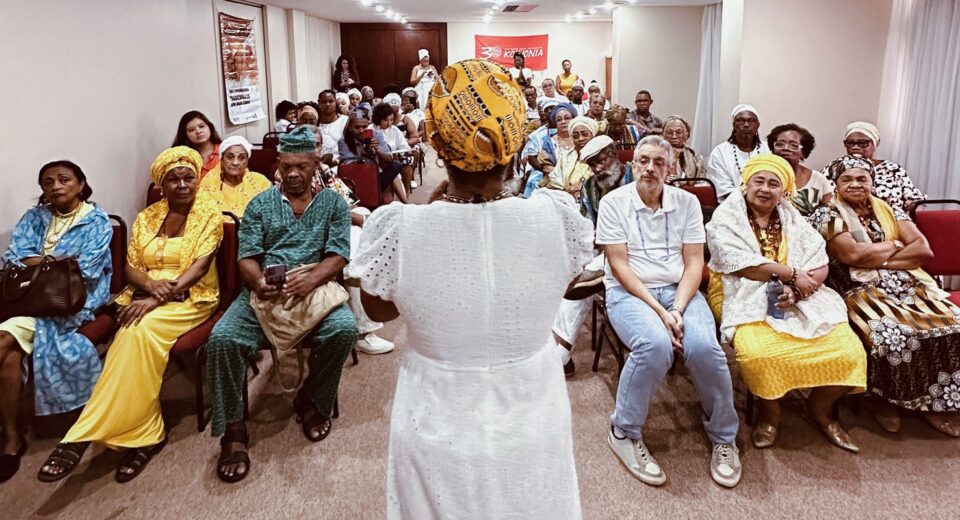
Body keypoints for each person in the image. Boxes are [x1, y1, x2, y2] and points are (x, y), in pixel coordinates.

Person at [350, 58, 592, 519]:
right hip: (533, 408)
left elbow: (378, 313)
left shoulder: (400, 227)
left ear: (438, 144)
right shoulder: (555, 216)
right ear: (516, 140)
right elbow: (563, 280)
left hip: (435, 412)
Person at [38, 147, 222, 483]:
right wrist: (150, 286)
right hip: (145, 294)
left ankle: (83, 432)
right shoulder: (148, 216)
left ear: (198, 179)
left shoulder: (210, 212)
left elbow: (200, 266)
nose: (182, 184)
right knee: (132, 333)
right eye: (173, 179)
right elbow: (131, 267)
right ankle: (146, 434)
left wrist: (156, 299)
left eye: (188, 177)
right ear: (161, 185)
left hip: (192, 298)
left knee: (135, 329)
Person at [205, 126, 357, 484]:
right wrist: (257, 281)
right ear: (277, 164)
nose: (293, 173)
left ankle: (312, 399)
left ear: (315, 163)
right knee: (222, 339)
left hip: (315, 289)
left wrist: (312, 278)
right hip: (265, 292)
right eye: (286, 165)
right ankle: (233, 429)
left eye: (301, 166)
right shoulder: (260, 205)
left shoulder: (333, 203)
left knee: (344, 329)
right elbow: (247, 257)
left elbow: (338, 254)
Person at [597, 135, 741, 488]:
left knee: (706, 349)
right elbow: (620, 267)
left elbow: (694, 263)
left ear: (671, 169)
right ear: (634, 165)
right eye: (643, 160)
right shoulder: (613, 203)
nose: (650, 168)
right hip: (631, 293)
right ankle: (623, 431)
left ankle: (724, 437)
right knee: (655, 346)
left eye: (659, 162)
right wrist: (662, 315)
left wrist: (676, 307)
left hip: (680, 291)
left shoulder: (687, 203)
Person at [706, 154, 867, 452]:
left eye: (774, 184)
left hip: (799, 292)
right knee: (759, 354)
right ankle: (771, 414)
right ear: (746, 183)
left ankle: (819, 408)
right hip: (741, 288)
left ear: (785, 191)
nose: (765, 189)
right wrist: (792, 274)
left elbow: (820, 264)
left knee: (850, 352)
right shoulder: (726, 216)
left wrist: (798, 292)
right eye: (759, 181)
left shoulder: (792, 217)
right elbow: (743, 266)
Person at [812, 155, 960, 437]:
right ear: (836, 183)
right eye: (847, 179)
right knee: (891, 335)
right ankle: (887, 402)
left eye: (862, 178)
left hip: (908, 283)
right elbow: (851, 255)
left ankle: (935, 404)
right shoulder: (827, 213)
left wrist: (881, 261)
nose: (855, 184)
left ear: (872, 182)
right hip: (858, 288)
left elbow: (923, 250)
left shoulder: (889, 209)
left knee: (954, 324)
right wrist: (894, 244)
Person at [0, 162, 112, 483]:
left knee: (3, 341)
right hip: (29, 302)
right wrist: (56, 263)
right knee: (6, 350)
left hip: (75, 301)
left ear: (81, 184)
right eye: (48, 182)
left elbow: (86, 269)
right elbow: (13, 258)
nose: (56, 187)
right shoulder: (33, 218)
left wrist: (38, 263)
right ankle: (11, 436)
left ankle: (10, 439)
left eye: (64, 180)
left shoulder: (97, 220)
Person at [552, 136, 635, 376]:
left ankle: (561, 352)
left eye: (601, 161)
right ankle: (561, 350)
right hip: (605, 251)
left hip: (643, 253)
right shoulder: (589, 186)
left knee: (583, 283)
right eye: (592, 165)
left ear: (614, 152)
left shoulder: (637, 176)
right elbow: (588, 227)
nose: (598, 169)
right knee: (574, 277)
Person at [840, 121, 926, 211]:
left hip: (893, 221)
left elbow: (915, 202)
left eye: (862, 143)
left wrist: (912, 216)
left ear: (875, 144)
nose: (855, 147)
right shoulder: (836, 169)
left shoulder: (893, 170)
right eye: (850, 143)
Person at [338, 109, 408, 204]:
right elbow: (348, 165)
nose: (361, 131)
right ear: (350, 127)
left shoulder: (376, 135)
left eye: (364, 127)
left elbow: (389, 159)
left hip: (375, 174)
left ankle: (376, 193)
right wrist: (362, 155)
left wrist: (377, 150)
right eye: (357, 127)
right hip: (357, 175)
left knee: (396, 165)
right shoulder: (344, 141)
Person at [706, 104, 770, 201]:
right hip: (731, 206)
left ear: (758, 125)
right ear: (734, 125)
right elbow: (724, 190)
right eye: (740, 120)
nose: (746, 125)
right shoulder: (720, 152)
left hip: (765, 205)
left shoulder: (768, 149)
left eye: (751, 121)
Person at [767, 123, 832, 216]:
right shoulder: (761, 175)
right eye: (780, 144)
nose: (786, 148)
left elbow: (830, 213)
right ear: (773, 150)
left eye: (794, 145)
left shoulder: (818, 179)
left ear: (803, 153)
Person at [199, 135, 272, 218]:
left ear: (247, 160)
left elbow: (270, 214)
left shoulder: (260, 182)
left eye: (242, 158)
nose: (235, 163)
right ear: (222, 160)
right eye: (230, 157)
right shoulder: (208, 183)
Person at [533, 105, 586, 197]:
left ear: (573, 119)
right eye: (559, 119)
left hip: (580, 185)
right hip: (555, 185)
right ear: (555, 122)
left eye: (567, 118)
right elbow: (547, 168)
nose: (563, 122)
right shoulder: (549, 142)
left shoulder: (581, 140)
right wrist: (565, 187)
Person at [372, 101, 416, 195]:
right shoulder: (371, 129)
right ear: (379, 119)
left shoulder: (394, 129)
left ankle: (406, 192)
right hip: (378, 160)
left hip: (395, 158)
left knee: (407, 160)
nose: (389, 123)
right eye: (386, 120)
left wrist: (398, 153)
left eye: (391, 120)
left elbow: (404, 146)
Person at [172, 110, 223, 179]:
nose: (198, 131)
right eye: (191, 130)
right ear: (185, 135)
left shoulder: (225, 151)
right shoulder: (183, 158)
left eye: (201, 126)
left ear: (209, 127)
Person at [661, 115, 705, 181]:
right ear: (663, 135)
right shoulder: (655, 155)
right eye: (669, 133)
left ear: (686, 134)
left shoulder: (696, 158)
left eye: (678, 132)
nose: (674, 136)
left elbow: (703, 185)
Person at [317, 90, 350, 163]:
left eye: (331, 101)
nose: (327, 104)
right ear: (319, 103)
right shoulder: (314, 122)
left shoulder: (345, 120)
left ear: (335, 102)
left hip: (339, 164)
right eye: (324, 102)